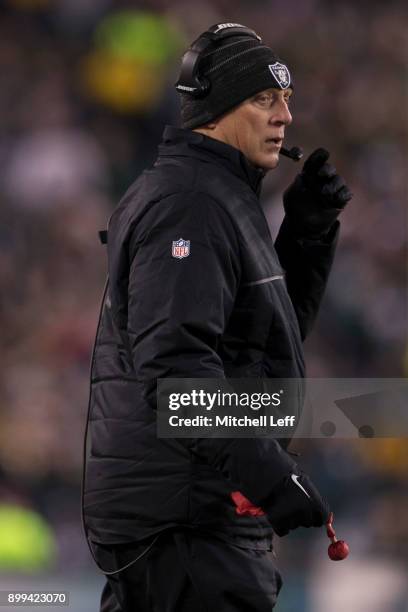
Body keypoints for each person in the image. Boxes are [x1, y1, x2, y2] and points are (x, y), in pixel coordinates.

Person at [82, 23, 352, 611]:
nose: (284, 115)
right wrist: (271, 475)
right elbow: (177, 375)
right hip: (185, 524)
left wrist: (307, 237)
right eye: (263, 99)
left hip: (188, 520)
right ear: (217, 108)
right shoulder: (193, 202)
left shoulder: (220, 196)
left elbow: (255, 350)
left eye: (287, 100)